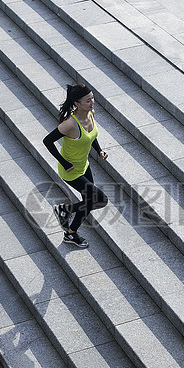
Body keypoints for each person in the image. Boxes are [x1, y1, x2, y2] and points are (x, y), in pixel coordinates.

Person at [43, 83, 109, 248]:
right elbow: (47, 141)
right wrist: (64, 162)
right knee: (100, 199)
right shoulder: (70, 124)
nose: (92, 102)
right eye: (88, 100)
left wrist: (99, 151)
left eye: (92, 98)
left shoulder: (90, 113)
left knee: (88, 202)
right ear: (76, 104)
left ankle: (70, 234)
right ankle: (65, 209)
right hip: (71, 171)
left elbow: (91, 135)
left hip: (84, 166)